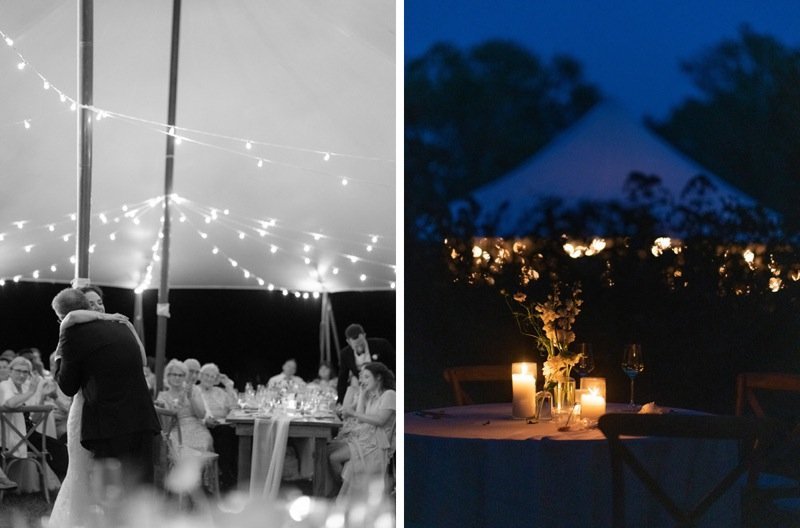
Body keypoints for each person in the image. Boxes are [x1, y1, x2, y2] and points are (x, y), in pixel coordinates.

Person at [49, 288, 152, 528]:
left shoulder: (73, 333)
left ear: (61, 317)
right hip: (141, 417)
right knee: (139, 486)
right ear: (86, 306)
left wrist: (58, 359)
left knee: (108, 487)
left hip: (107, 421)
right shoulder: (120, 326)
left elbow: (68, 386)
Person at [328, 362, 395, 498]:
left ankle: (340, 491)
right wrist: (362, 395)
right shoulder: (371, 396)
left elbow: (380, 420)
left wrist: (352, 413)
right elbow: (360, 419)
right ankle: (329, 489)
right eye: (361, 377)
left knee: (333, 457)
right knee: (326, 449)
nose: (362, 381)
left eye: (366, 377)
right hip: (364, 439)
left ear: (378, 377)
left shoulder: (390, 394)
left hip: (376, 444)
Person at [0, 356, 69, 481]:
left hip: (29, 433)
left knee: (59, 448)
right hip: (13, 436)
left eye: (25, 372)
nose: (22, 375)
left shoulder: (24, 388)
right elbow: (9, 404)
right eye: (18, 371)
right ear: (10, 371)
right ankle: (60, 482)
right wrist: (31, 392)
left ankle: (61, 482)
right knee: (56, 449)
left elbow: (35, 419)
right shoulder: (5, 386)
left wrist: (41, 397)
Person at [193, 362, 238, 491]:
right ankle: (226, 473)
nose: (209, 378)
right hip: (203, 426)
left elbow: (234, 406)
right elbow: (194, 412)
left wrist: (229, 385)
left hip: (223, 425)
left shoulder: (220, 391)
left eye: (212, 376)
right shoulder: (195, 391)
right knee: (225, 435)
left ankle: (229, 472)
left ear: (216, 379)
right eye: (206, 375)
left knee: (234, 433)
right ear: (200, 376)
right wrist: (205, 421)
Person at [156, 359, 213, 452]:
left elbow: (201, 415)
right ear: (168, 376)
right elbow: (166, 424)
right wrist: (173, 407)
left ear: (184, 377)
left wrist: (191, 398)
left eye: (181, 375)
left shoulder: (193, 390)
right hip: (176, 430)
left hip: (197, 428)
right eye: (174, 375)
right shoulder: (163, 396)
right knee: (181, 447)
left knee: (203, 443)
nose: (177, 378)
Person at [336, 324, 395, 404]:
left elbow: (395, 364)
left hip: (385, 387)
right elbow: (342, 378)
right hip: (363, 390)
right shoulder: (345, 354)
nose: (359, 347)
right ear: (348, 342)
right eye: (356, 345)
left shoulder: (381, 345)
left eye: (361, 343)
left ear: (364, 335)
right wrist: (340, 400)